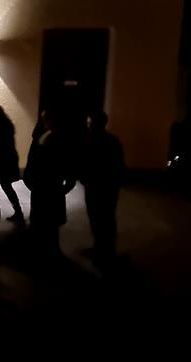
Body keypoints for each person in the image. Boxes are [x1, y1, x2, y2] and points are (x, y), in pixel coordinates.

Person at [23, 112, 76, 258]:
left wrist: (30, 180)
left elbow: (34, 162)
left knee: (42, 220)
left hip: (44, 185)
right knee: (50, 222)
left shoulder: (45, 138)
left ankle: (43, 250)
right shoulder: (59, 138)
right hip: (51, 186)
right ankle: (50, 249)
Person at [79, 111, 125, 266]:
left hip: (96, 185)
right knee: (106, 217)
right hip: (109, 186)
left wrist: (84, 177)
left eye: (89, 123)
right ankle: (104, 249)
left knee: (98, 217)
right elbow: (119, 165)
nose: (88, 125)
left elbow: (86, 163)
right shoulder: (113, 140)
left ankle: (102, 251)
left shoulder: (91, 141)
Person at [0, 105, 25, 225]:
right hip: (8, 160)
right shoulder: (7, 125)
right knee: (7, 186)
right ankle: (18, 211)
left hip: (0, 162)